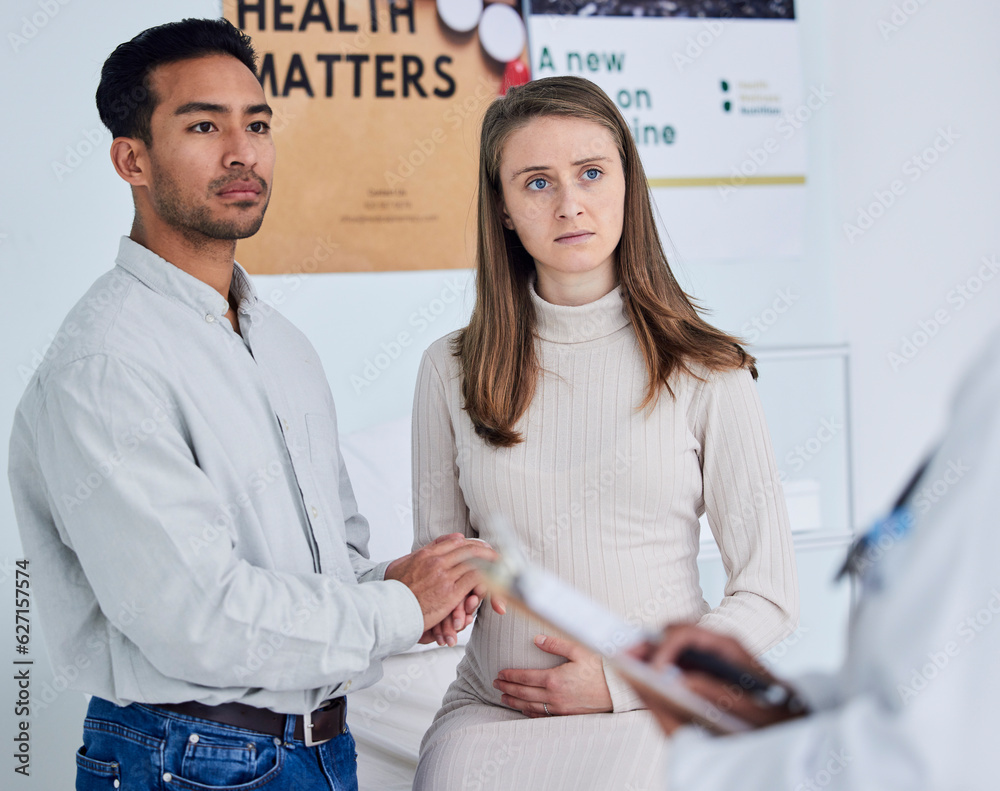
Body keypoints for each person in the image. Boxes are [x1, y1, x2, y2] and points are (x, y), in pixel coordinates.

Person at [7, 18, 496, 791]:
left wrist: (391, 585)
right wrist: (400, 608)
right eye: (204, 124)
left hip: (323, 749)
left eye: (257, 123)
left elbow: (320, 569)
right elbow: (197, 620)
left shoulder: (282, 345)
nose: (243, 151)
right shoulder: (106, 363)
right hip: (185, 758)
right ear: (130, 158)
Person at [410, 75, 800, 790]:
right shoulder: (450, 368)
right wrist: (445, 596)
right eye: (536, 182)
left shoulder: (708, 369)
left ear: (627, 182)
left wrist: (622, 678)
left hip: (654, 710)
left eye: (591, 172)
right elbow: (441, 564)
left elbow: (770, 593)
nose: (570, 203)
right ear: (501, 207)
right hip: (494, 713)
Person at [630, 327, 1000, 790]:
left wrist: (703, 761)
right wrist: (782, 704)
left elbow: (919, 759)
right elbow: (913, 696)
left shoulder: (708, 374)